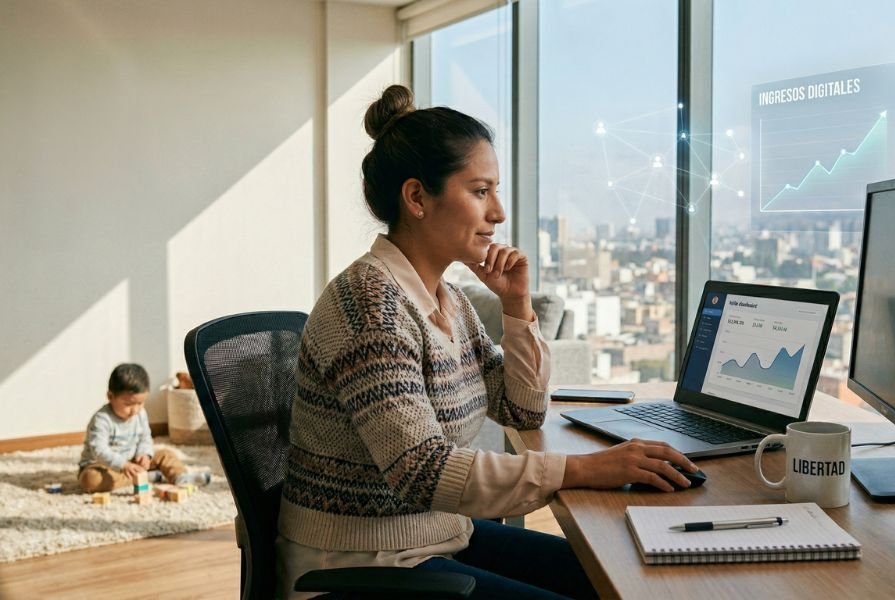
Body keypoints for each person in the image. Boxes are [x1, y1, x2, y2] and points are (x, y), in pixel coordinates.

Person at [275, 85, 697, 600]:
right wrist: (585, 469)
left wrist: (518, 309)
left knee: (620, 579)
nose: (497, 212)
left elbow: (522, 410)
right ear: (416, 198)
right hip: (361, 564)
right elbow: (423, 472)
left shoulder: (446, 297)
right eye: (480, 191)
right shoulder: (369, 307)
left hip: (437, 537)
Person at [78, 363, 210, 493]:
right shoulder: (101, 419)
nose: (135, 410)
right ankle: (146, 476)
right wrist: (123, 465)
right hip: (102, 465)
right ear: (110, 396)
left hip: (133, 460)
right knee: (91, 480)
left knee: (165, 454)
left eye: (140, 403)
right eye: (128, 404)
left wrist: (144, 454)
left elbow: (145, 437)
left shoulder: (140, 414)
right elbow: (99, 450)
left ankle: (180, 476)